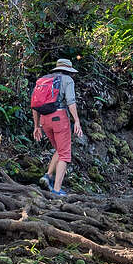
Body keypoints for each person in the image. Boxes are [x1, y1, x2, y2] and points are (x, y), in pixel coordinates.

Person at [31, 57, 83, 196]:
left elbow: (35, 105)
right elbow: (71, 102)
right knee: (65, 155)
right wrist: (76, 120)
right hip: (59, 118)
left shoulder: (43, 80)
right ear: (69, 70)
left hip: (44, 120)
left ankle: (47, 176)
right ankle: (57, 190)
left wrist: (37, 126)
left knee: (60, 149)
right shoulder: (68, 80)